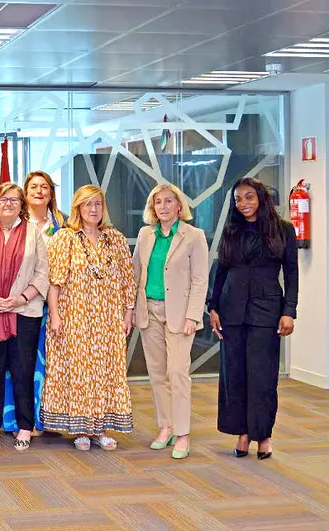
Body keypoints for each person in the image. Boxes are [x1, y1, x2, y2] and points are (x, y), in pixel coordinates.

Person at [209, 177, 297, 460]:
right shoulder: (231, 230)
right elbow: (220, 271)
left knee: (262, 376)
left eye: (248, 197)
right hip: (231, 308)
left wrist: (289, 310)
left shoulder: (283, 229)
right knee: (234, 375)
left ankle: (264, 434)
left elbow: (292, 274)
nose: (243, 203)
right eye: (237, 199)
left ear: (260, 197)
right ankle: (242, 433)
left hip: (266, 309)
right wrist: (213, 307)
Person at [42, 184, 136, 451]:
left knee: (106, 370)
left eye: (97, 204)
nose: (93, 210)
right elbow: (54, 283)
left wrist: (129, 311)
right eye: (87, 205)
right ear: (78, 208)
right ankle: (81, 429)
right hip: (76, 316)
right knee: (80, 371)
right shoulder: (65, 238)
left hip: (108, 318)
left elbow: (127, 279)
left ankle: (101, 428)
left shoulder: (115, 238)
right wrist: (56, 315)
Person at [133, 183, 208, 460]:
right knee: (157, 374)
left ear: (179, 206)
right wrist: (131, 310)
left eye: (168, 201)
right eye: (157, 202)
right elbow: (135, 275)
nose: (163, 207)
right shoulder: (145, 235)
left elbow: (200, 279)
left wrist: (193, 315)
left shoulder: (194, 236)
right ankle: (165, 427)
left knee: (178, 372)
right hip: (149, 312)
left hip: (179, 314)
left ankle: (183, 433)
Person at [0, 183, 48, 452]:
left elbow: (43, 272)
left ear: (22, 205)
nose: (8, 203)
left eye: (14, 200)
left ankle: (25, 424)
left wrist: (20, 299)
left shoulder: (34, 232)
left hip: (25, 311)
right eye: (3, 199)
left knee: (22, 369)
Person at [2, 171, 67, 435]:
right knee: (16, 364)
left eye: (44, 187)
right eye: (33, 187)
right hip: (20, 304)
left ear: (51, 193)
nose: (39, 191)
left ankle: (45, 417)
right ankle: (15, 419)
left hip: (54, 304)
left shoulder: (63, 226)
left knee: (47, 363)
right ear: (25, 193)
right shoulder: (14, 223)